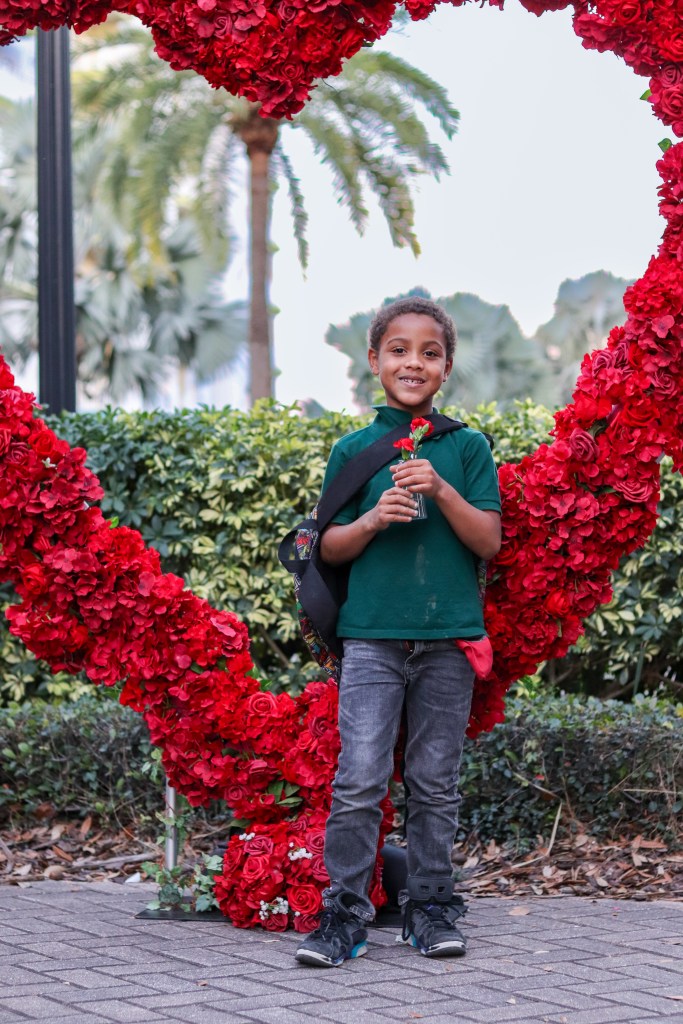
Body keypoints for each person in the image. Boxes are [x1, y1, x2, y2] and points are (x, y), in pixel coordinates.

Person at [295, 297, 501, 968]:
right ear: (374, 360)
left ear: (446, 367)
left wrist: (440, 490)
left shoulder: (466, 447)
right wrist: (372, 518)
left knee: (434, 781)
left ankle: (430, 907)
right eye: (399, 350)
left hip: (447, 640)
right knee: (359, 779)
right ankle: (344, 913)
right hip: (372, 640)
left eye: (429, 353)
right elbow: (327, 548)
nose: (414, 362)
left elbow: (489, 541)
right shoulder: (353, 449)